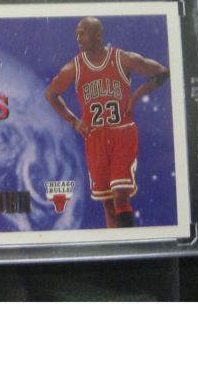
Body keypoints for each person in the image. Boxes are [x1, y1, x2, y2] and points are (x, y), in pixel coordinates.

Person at [45, 17, 169, 228]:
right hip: (95, 138)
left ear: (99, 35)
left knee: (120, 194)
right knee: (109, 203)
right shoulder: (73, 68)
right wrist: (74, 122)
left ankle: (130, 242)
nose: (78, 38)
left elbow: (162, 71)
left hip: (122, 133)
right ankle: (117, 242)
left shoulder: (122, 58)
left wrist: (136, 95)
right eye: (76, 34)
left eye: (83, 33)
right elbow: (51, 94)